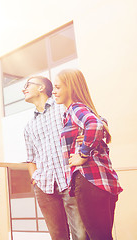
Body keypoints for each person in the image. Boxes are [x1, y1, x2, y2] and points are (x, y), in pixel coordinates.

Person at [53, 69, 123, 240]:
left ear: (70, 87)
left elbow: (94, 125)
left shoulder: (75, 109)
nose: (53, 92)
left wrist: (82, 154)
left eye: (57, 87)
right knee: (103, 236)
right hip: (103, 182)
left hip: (88, 180)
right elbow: (99, 122)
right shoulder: (85, 110)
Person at [22, 76, 88, 240]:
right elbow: (31, 158)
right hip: (44, 186)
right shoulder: (29, 126)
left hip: (70, 181)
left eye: (27, 85)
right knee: (57, 237)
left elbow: (94, 121)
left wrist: (85, 141)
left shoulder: (63, 108)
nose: (23, 89)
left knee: (81, 235)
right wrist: (35, 179)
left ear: (41, 88)